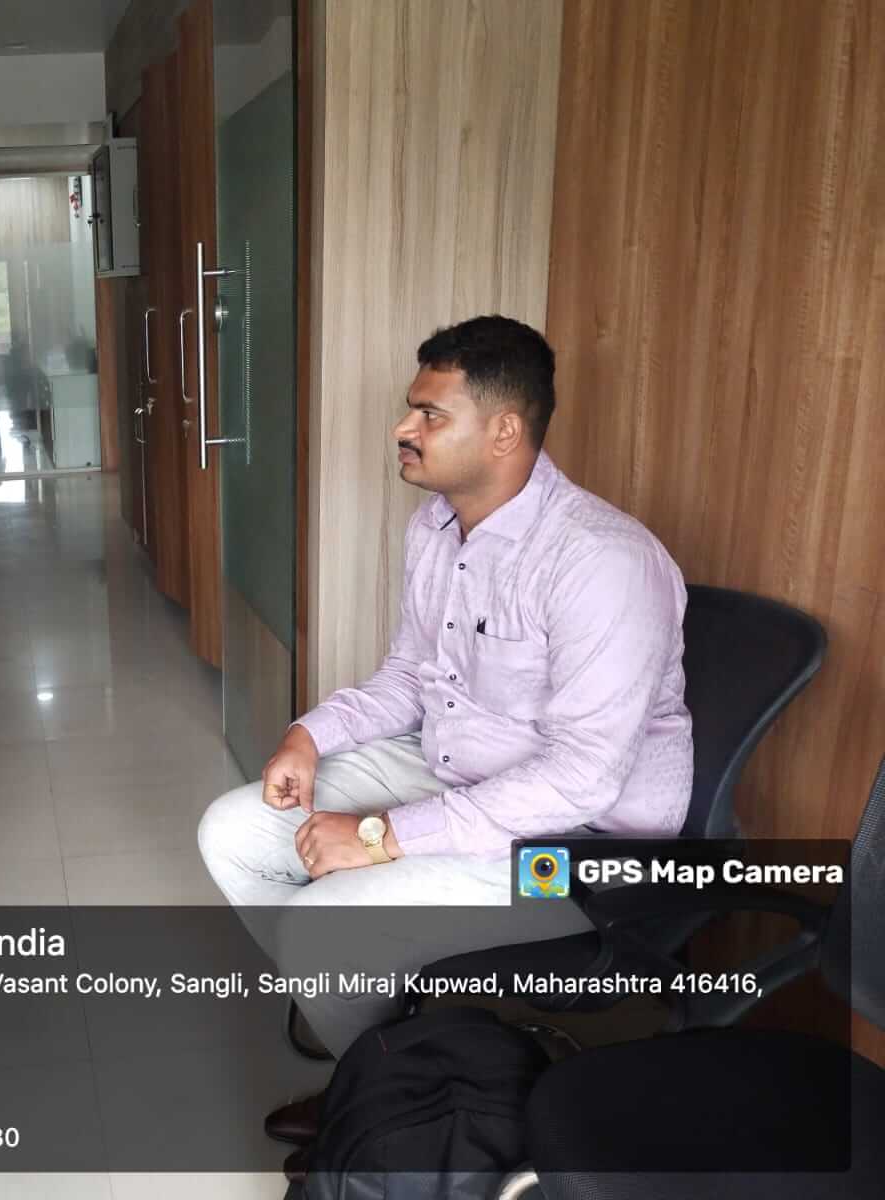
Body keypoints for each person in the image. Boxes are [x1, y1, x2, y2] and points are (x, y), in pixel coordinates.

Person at [197, 315, 692, 1146]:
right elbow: (409, 678)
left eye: (430, 414)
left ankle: (374, 1084)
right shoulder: (434, 528)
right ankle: (385, 1056)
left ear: (505, 432)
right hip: (459, 773)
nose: (404, 428)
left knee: (324, 922)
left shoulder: (600, 562)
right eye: (411, 408)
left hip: (577, 847)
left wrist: (382, 837)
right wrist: (308, 737)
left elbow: (581, 778)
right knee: (233, 832)